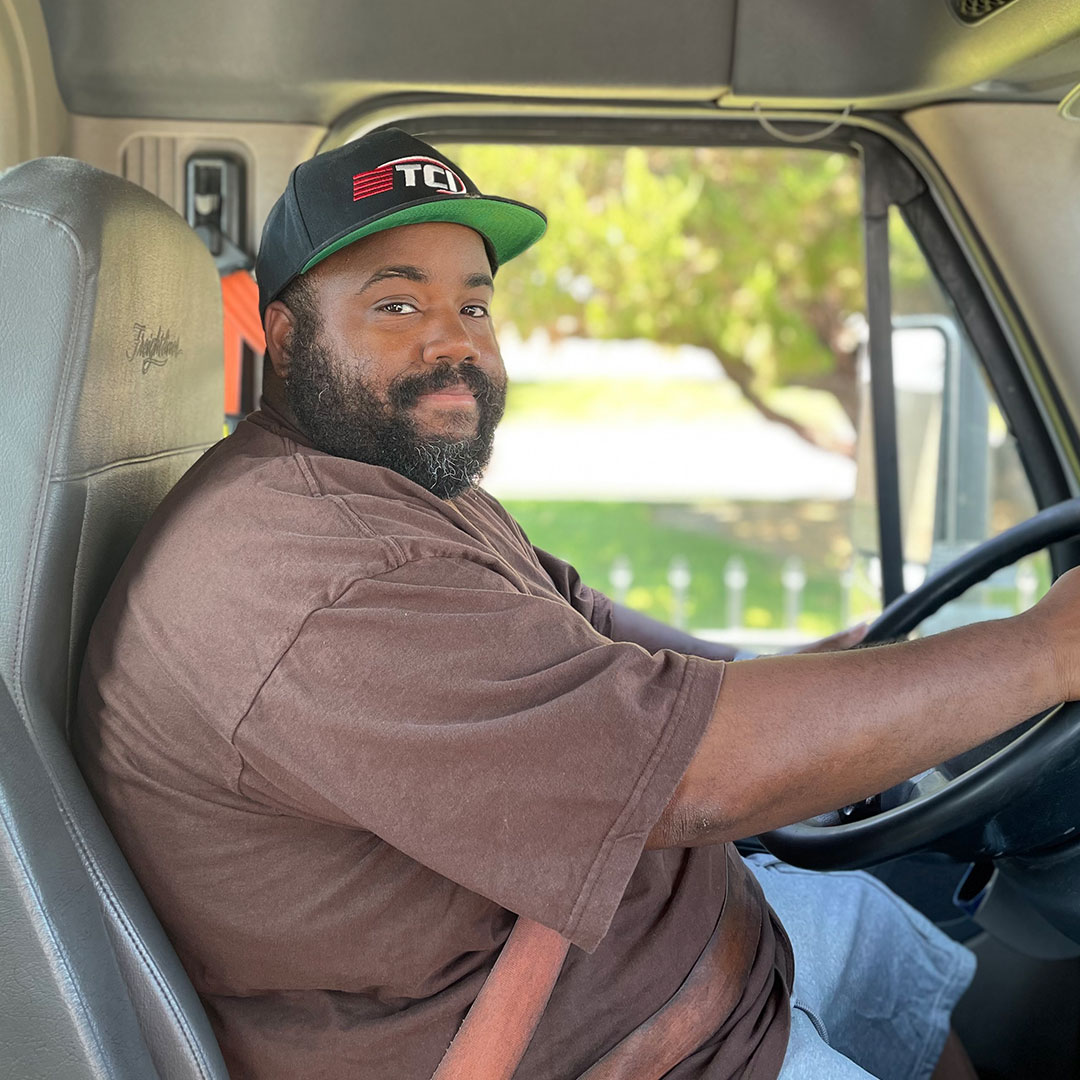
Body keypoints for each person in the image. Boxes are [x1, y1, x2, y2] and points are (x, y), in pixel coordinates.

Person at [74, 128, 1079, 1080]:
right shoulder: (310, 582)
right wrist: (1044, 653)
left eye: (473, 306)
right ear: (284, 333)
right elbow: (693, 776)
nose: (452, 343)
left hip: (672, 953)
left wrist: (840, 658)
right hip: (612, 1045)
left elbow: (594, 628)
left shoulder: (391, 489)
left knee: (874, 936)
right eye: (396, 306)